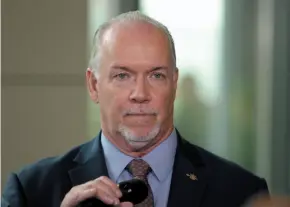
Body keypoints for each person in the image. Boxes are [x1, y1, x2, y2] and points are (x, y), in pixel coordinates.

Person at [2, 11, 269, 207]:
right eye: (122, 76)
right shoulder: (30, 191)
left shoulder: (243, 193)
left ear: (174, 84)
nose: (140, 94)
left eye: (156, 76)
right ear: (94, 85)